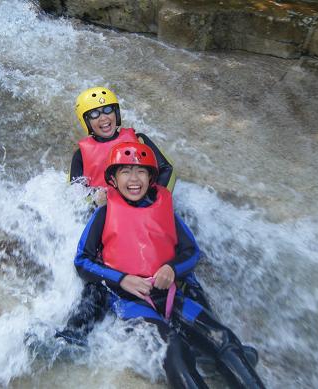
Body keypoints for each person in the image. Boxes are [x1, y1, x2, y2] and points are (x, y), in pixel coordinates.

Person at [72, 142, 266, 389]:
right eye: (125, 172)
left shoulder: (166, 211)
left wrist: (172, 269)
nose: (134, 179)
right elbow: (82, 261)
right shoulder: (103, 214)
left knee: (224, 339)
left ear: (152, 177)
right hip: (130, 302)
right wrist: (122, 279)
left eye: (141, 171)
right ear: (113, 179)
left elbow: (191, 251)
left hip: (171, 295)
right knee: (174, 348)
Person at [51, 86, 209, 347]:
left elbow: (167, 170)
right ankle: (74, 336)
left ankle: (207, 336)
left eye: (108, 110)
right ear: (86, 122)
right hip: (109, 221)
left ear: (117, 113)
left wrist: (154, 200)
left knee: (181, 270)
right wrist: (96, 199)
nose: (104, 118)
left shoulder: (140, 139)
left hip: (150, 210)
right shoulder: (80, 155)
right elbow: (75, 194)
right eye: (95, 114)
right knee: (99, 278)